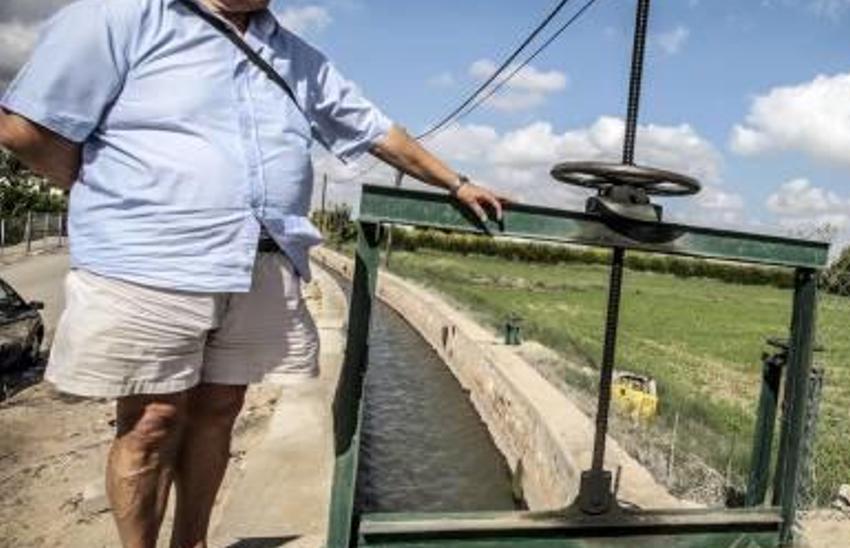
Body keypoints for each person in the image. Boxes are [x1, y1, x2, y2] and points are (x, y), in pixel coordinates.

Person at [0, 0, 506, 546]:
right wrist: (118, 197)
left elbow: (376, 130)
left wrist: (455, 183)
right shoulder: (121, 15)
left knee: (220, 409)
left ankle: (191, 541)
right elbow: (27, 129)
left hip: (259, 260)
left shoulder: (292, 54)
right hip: (150, 258)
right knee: (151, 421)